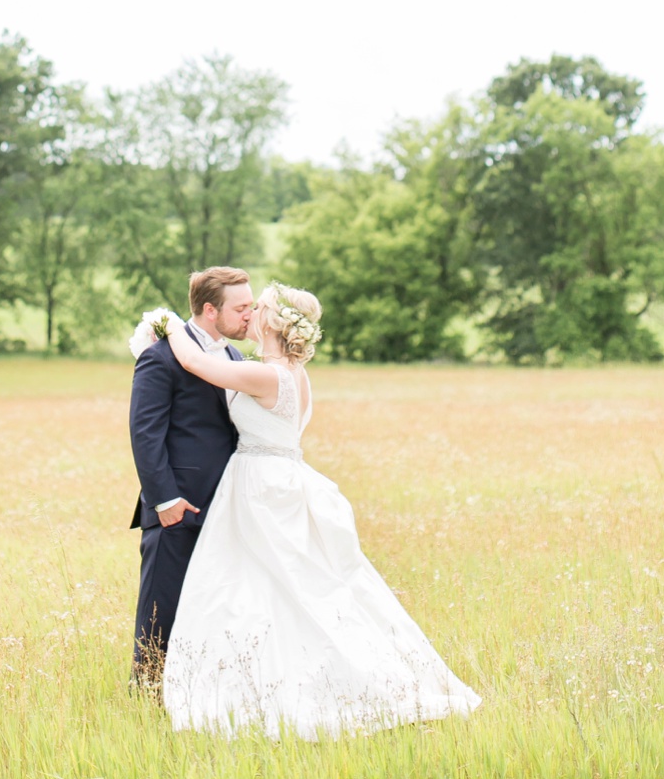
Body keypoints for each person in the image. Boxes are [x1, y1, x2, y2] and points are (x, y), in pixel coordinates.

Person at [160, 283, 482, 738]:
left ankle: (291, 684)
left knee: (271, 583)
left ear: (273, 322)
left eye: (260, 308)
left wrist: (168, 325)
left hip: (262, 486)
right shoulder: (291, 371)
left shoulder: (268, 375)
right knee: (278, 585)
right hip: (279, 479)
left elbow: (194, 363)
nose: (250, 313)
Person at [126, 266, 257, 688]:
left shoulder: (235, 358)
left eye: (251, 306)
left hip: (225, 508)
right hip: (177, 508)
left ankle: (198, 692)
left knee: (214, 607)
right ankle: (146, 693)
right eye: (241, 308)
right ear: (209, 310)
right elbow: (145, 434)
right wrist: (164, 501)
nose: (249, 316)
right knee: (161, 607)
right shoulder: (160, 357)